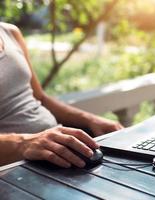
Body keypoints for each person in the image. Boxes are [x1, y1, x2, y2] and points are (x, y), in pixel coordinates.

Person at [0, 22, 123, 168]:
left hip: (59, 150)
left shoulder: (10, 32)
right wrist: (24, 144)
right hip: (16, 165)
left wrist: (89, 119)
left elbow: (40, 98)